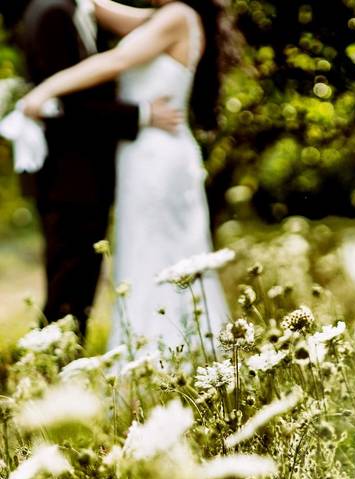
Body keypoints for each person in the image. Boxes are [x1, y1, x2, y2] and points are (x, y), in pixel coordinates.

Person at [21, 0, 232, 354]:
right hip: (145, 156)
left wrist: (43, 90)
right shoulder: (165, 18)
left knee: (157, 255)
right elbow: (101, 9)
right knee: (141, 254)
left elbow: (114, 62)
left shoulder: (176, 16)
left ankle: (165, 353)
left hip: (156, 157)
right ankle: (166, 351)